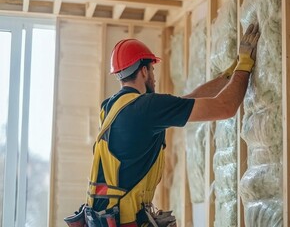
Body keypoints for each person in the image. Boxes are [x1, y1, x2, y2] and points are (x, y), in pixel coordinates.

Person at [64, 23, 260, 227]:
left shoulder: (111, 106)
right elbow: (225, 107)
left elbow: (186, 101)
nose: (154, 77)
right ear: (144, 71)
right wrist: (246, 65)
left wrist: (230, 76)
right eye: (152, 69)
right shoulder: (147, 108)